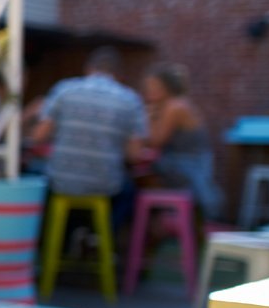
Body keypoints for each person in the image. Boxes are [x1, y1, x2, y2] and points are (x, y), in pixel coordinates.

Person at [30, 46, 147, 229]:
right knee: (129, 192)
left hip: (61, 182)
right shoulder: (130, 100)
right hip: (105, 185)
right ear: (118, 74)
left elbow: (38, 136)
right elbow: (134, 154)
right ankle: (101, 242)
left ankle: (53, 243)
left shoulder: (64, 90)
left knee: (34, 174)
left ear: (88, 69)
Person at [143, 63, 223, 220]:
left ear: (166, 87)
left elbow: (155, 141)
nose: (150, 92)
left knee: (141, 175)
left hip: (190, 167)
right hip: (188, 164)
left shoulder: (175, 106)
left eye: (154, 87)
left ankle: (159, 220)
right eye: (148, 87)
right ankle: (162, 219)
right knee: (145, 171)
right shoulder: (174, 104)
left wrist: (150, 117)